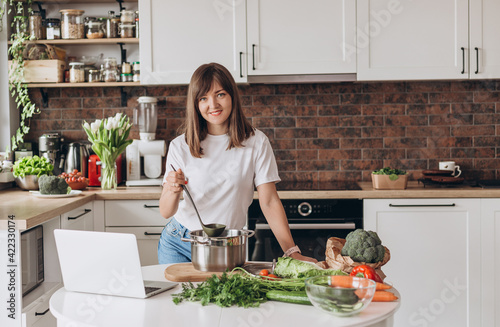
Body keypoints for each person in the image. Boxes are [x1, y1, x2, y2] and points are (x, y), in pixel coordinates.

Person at [158, 62, 317, 264]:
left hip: (228, 244)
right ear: (196, 104)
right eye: (203, 98)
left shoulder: (256, 142)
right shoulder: (181, 146)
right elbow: (165, 212)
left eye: (220, 94)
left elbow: (269, 202)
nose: (213, 104)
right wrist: (172, 189)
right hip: (180, 241)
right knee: (180, 297)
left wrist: (292, 252)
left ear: (232, 95)